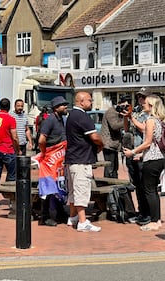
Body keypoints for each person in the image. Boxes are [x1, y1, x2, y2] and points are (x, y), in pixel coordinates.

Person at [123, 94, 165, 231]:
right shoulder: (158, 120)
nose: (143, 104)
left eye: (146, 103)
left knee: (150, 190)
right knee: (152, 190)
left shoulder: (150, 120)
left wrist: (133, 152)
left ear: (152, 106)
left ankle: (154, 220)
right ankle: (156, 219)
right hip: (158, 157)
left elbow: (147, 142)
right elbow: (153, 142)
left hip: (152, 159)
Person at [65, 91, 103, 232]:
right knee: (81, 190)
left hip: (73, 159)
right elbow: (95, 137)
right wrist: (101, 144)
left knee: (74, 190)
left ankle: (73, 216)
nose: (91, 102)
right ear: (81, 101)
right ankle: (82, 222)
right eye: (89, 100)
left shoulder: (71, 116)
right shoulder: (82, 116)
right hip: (81, 160)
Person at [37, 96, 69, 227]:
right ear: (56, 108)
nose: (66, 107)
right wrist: (45, 153)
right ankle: (44, 217)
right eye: (63, 105)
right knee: (48, 188)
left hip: (59, 161)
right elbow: (41, 140)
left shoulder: (61, 119)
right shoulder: (49, 120)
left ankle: (60, 212)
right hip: (50, 160)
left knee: (59, 186)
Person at [122, 87, 151, 226]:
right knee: (137, 185)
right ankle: (141, 212)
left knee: (144, 185)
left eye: (143, 97)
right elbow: (127, 129)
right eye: (139, 97)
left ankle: (148, 213)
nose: (141, 99)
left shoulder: (150, 113)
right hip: (131, 151)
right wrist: (126, 117)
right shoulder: (136, 111)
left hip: (141, 153)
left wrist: (131, 117)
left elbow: (143, 128)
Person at [100, 96, 128, 178]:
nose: (124, 108)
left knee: (115, 168)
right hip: (109, 145)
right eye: (123, 106)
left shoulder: (118, 112)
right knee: (110, 169)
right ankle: (108, 187)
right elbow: (115, 126)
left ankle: (113, 187)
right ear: (118, 104)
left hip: (114, 145)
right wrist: (126, 119)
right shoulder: (111, 112)